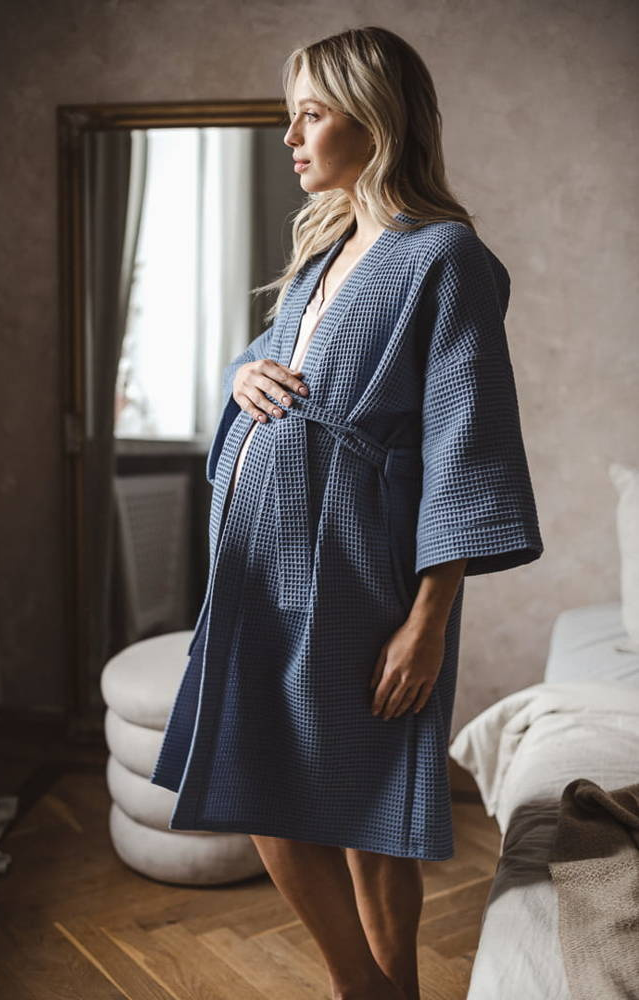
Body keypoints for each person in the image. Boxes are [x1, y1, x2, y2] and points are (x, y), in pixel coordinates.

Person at [151, 25, 544, 1000]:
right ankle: (380, 988)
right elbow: (270, 363)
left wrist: (427, 622)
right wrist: (240, 373)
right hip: (263, 573)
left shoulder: (443, 256)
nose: (290, 136)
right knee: (272, 777)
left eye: (311, 114)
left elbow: (467, 443)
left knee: (364, 801)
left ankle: (365, 987)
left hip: (361, 573)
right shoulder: (326, 250)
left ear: (374, 119)